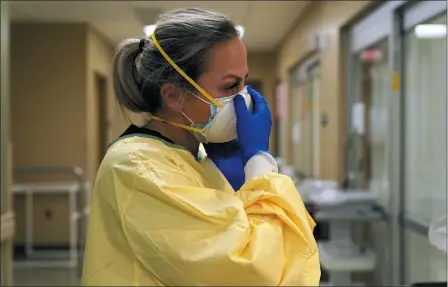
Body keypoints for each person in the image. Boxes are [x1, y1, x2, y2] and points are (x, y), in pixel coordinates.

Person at [82, 8, 320, 286]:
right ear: (173, 95)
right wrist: (259, 163)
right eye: (231, 86)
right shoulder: (136, 166)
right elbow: (255, 271)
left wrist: (240, 189)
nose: (245, 98)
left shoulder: (195, 156)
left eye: (244, 82)